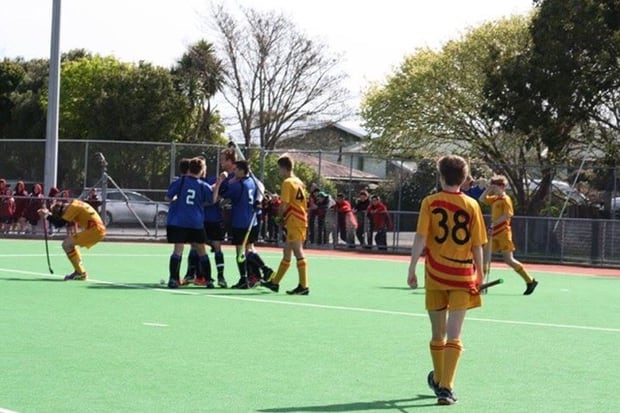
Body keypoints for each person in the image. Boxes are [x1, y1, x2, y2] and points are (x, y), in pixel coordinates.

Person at [407, 155, 487, 405]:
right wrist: (481, 275)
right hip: (463, 276)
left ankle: (441, 383)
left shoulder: (429, 202)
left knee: (437, 334)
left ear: (441, 177)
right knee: (455, 335)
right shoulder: (472, 205)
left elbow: (420, 237)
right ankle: (446, 386)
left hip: (435, 275)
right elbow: (477, 245)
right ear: (464, 180)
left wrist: (411, 268)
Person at [478, 175, 538, 295]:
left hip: (503, 232)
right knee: (485, 258)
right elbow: (481, 199)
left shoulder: (506, 199)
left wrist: (495, 223)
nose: (493, 190)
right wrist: (488, 189)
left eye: (495, 187)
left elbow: (508, 215)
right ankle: (481, 284)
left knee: (508, 259)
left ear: (502, 187)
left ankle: (530, 280)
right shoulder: (495, 199)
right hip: (493, 233)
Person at [165, 157, 218, 289]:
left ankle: (173, 279)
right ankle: (208, 280)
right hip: (195, 222)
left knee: (178, 250)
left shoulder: (181, 181)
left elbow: (168, 197)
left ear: (189, 169)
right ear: (201, 171)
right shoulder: (203, 185)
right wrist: (218, 185)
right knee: (201, 251)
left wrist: (177, 198)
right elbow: (212, 200)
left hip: (180, 221)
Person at [262, 154, 310, 295]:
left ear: (284, 168)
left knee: (297, 251)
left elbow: (284, 204)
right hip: (297, 219)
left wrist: (279, 217)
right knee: (287, 252)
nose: (279, 172)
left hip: (295, 220)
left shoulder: (287, 182)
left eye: (279, 169)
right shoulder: (298, 181)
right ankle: (275, 283)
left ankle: (304, 285)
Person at [224, 160, 273, 289]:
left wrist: (227, 183)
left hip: (240, 222)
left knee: (240, 252)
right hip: (252, 221)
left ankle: (244, 278)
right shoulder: (251, 182)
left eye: (236, 170)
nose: (234, 172)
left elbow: (224, 194)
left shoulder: (238, 185)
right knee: (249, 250)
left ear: (241, 171)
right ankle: (264, 269)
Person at [38, 198, 107, 280]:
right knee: (70, 244)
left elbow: (59, 223)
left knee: (66, 244)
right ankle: (79, 271)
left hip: (95, 231)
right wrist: (48, 214)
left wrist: (46, 215)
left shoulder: (73, 208)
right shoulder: (75, 203)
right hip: (97, 230)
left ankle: (80, 272)